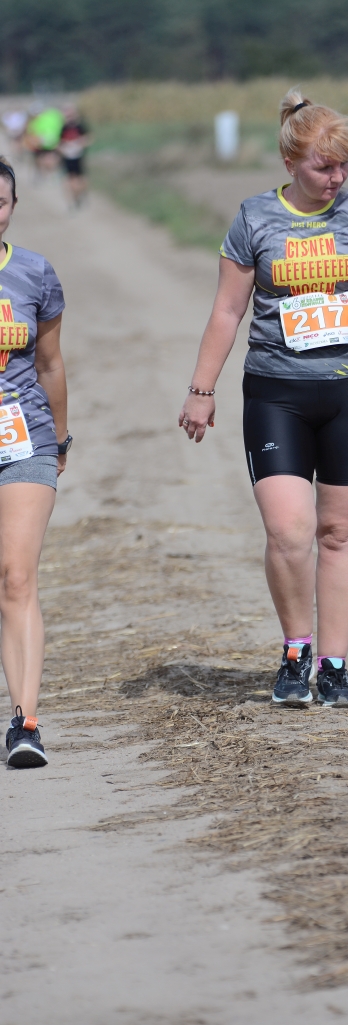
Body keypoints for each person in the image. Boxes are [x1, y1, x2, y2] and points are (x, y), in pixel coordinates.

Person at [179, 89, 348, 707]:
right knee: (289, 531)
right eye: (323, 166)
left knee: (339, 532)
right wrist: (202, 389)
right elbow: (227, 310)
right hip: (276, 393)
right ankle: (296, 651)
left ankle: (335, 666)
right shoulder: (254, 218)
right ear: (290, 162)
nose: (336, 178)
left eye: (344, 165)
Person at [0, 157, 71, 766]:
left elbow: (49, 363)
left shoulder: (33, 273)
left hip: (24, 439)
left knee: (16, 577)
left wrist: (61, 439)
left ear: (13, 207)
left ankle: (25, 722)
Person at [58, 106, 92, 208]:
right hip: (67, 157)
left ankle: (81, 194)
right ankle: (71, 201)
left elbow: (88, 138)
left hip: (78, 156)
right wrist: (64, 149)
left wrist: (79, 144)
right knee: (69, 179)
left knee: (81, 179)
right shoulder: (63, 128)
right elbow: (58, 143)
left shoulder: (80, 127)